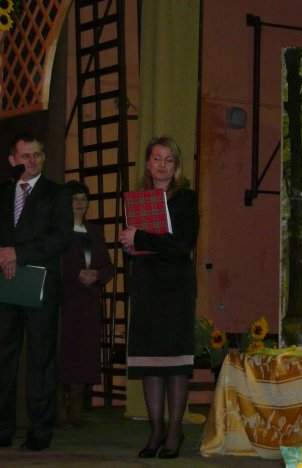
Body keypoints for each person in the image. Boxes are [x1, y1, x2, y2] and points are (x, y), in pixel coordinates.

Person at [119, 136, 198, 459]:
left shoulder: (186, 199)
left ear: (176, 166)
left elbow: (181, 245)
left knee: (175, 362)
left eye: (169, 159)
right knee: (150, 360)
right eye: (156, 158)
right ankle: (155, 430)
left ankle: (174, 431)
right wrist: (129, 244)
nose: (162, 164)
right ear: (148, 164)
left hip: (175, 288)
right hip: (147, 285)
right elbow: (137, 244)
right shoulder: (137, 200)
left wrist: (139, 237)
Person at [0, 133, 73, 450]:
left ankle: (40, 431)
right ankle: (2, 428)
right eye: (25, 156)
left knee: (41, 358)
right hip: (5, 281)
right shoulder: (3, 192)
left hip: (40, 282)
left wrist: (18, 253)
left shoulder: (57, 193)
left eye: (37, 155)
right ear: (12, 160)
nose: (32, 161)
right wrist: (3, 254)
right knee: (3, 357)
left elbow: (61, 237)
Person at [58, 181, 114, 427]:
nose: (80, 203)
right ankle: (59, 409)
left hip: (89, 302)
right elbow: (55, 264)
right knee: (64, 354)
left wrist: (98, 275)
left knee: (84, 355)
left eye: (83, 198)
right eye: (75, 199)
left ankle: (77, 410)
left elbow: (108, 266)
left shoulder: (95, 231)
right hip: (65, 300)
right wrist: (76, 274)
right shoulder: (58, 231)